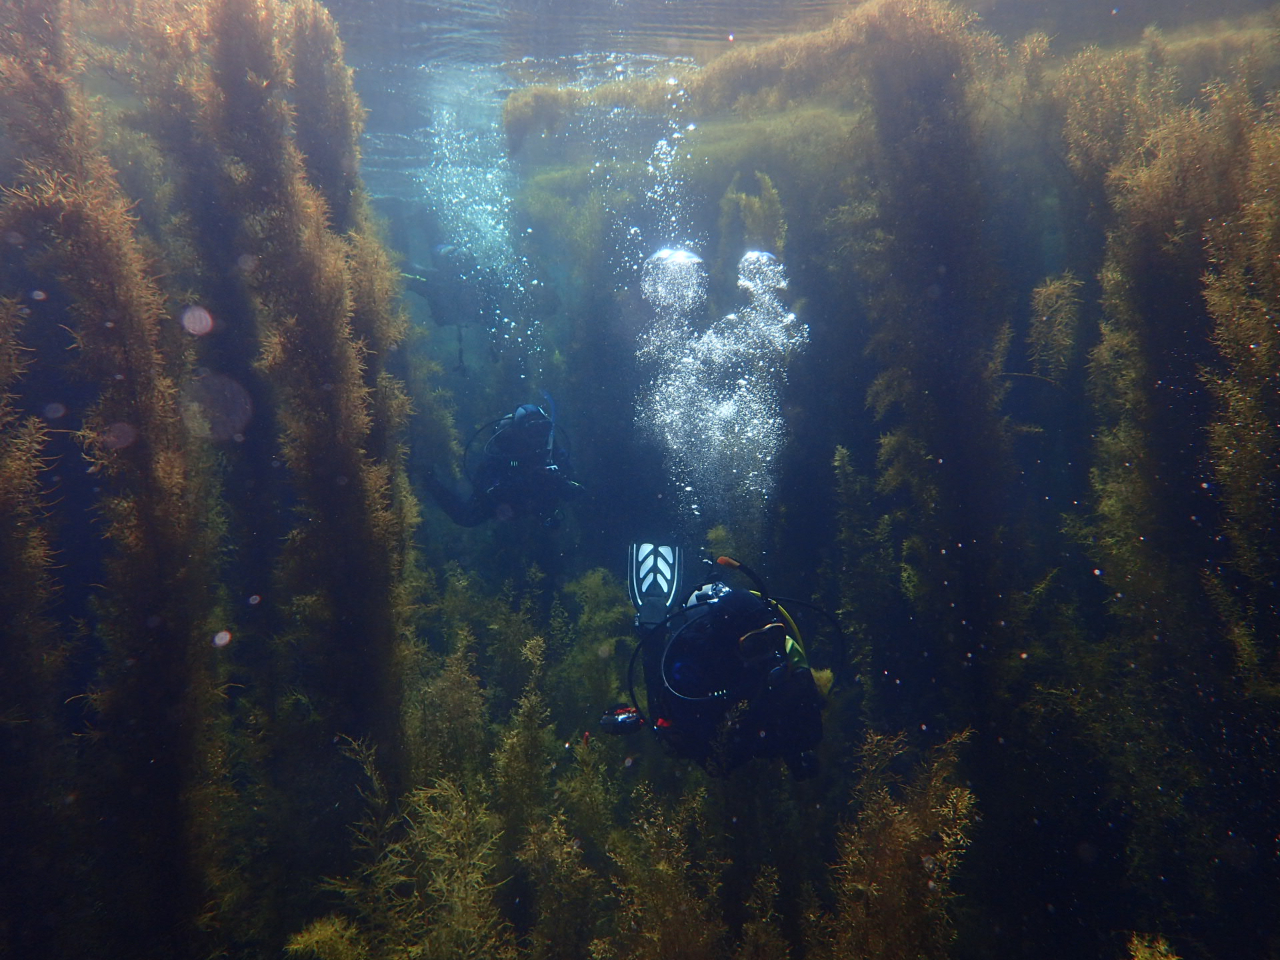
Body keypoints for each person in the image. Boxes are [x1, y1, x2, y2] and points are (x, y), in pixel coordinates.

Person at [601, 545, 827, 780]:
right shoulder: (693, 667)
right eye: (753, 645)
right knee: (666, 731)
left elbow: (811, 732)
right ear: (728, 645)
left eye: (773, 637)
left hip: (741, 711)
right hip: (696, 705)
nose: (767, 653)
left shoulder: (781, 652)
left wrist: (797, 686)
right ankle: (652, 636)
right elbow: (714, 759)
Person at [424, 402, 580, 527]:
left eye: (544, 429)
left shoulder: (550, 446)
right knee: (466, 517)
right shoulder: (507, 445)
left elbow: (568, 472)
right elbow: (484, 484)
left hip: (534, 499)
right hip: (507, 497)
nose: (539, 436)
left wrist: (564, 483)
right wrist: (499, 502)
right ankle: (429, 480)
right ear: (520, 431)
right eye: (533, 430)